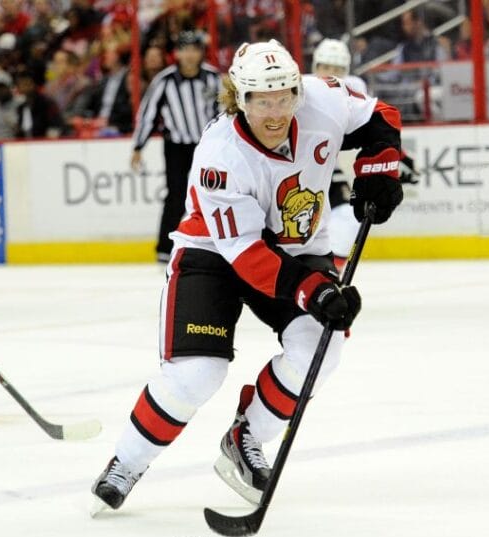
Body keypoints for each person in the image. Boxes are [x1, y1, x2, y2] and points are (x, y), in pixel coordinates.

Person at [91, 39, 403, 512]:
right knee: (197, 374)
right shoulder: (220, 154)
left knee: (320, 345)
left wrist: (379, 170)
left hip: (297, 249)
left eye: (285, 97)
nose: (276, 112)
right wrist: (316, 291)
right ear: (239, 97)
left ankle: (247, 437)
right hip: (215, 252)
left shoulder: (323, 98)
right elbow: (249, 257)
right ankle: (128, 461)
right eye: (262, 100)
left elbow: (380, 117)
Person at [311, 38, 418, 271]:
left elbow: (373, 129)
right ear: (315, 67)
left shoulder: (352, 89)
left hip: (328, 169)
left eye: (338, 69)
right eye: (326, 67)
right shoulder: (303, 90)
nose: (332, 74)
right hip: (304, 169)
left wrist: (395, 160)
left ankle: (330, 273)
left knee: (347, 218)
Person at [130, 30, 221, 263]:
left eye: (194, 49)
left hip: (207, 146)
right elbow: (148, 114)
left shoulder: (213, 78)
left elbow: (225, 112)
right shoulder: (164, 80)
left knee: (215, 192)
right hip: (177, 147)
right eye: (185, 49)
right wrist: (138, 146)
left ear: (201, 52)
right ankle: (163, 247)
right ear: (177, 53)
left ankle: (218, 241)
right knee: (176, 194)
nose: (190, 55)